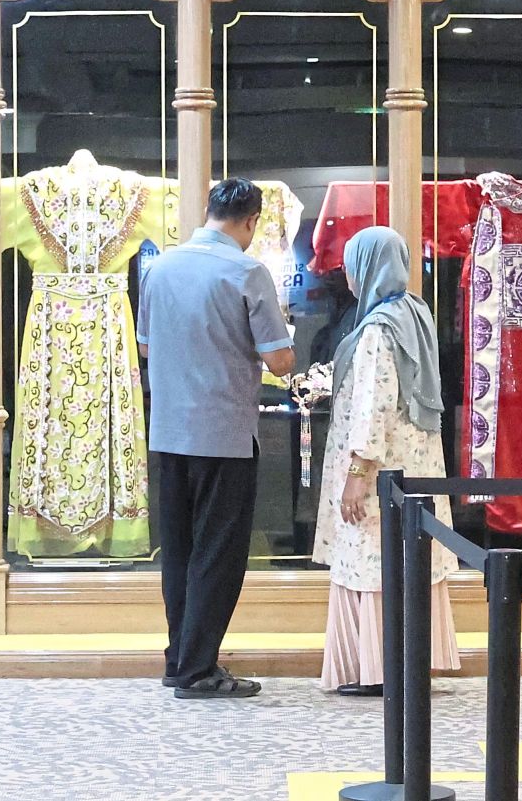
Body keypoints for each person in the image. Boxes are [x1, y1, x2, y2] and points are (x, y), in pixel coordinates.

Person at [138, 178, 295, 700]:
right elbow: (280, 359)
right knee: (218, 553)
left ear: (208, 211)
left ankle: (178, 656)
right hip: (224, 433)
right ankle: (197, 670)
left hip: (167, 431)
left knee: (179, 551)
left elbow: (144, 345)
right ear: (250, 221)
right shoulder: (247, 271)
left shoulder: (159, 269)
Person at [312, 226, 460, 696]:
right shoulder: (414, 313)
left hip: (382, 471)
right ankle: (405, 662)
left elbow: (376, 404)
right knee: (404, 559)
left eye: (354, 265)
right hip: (414, 466)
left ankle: (379, 667)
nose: (349, 277)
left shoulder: (378, 328)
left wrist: (358, 473)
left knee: (372, 560)